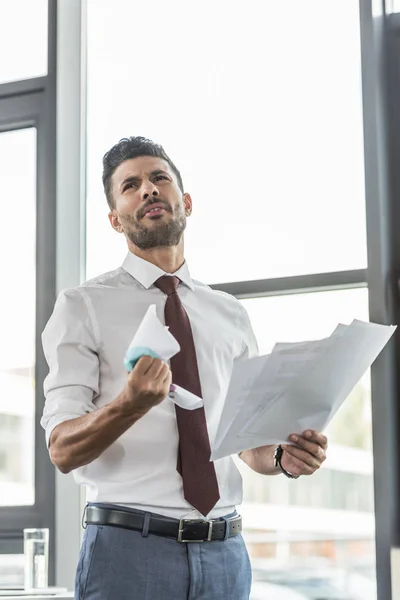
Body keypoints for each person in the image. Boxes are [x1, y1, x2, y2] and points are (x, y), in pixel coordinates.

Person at [41, 136, 328, 600]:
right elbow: (62, 449)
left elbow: (247, 441)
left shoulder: (230, 313)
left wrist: (282, 457)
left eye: (160, 178)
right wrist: (128, 406)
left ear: (186, 202)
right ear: (115, 219)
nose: (149, 190)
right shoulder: (83, 306)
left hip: (225, 554)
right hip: (128, 554)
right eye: (131, 186)